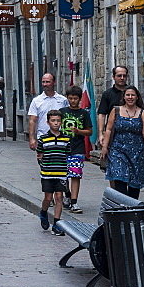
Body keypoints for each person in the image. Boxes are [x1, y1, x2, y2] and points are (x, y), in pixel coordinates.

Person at [101, 85, 144, 198]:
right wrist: (105, 148)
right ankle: (123, 204)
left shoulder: (142, 113)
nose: (130, 97)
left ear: (137, 97)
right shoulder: (116, 110)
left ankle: (132, 207)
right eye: (128, 95)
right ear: (124, 97)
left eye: (133, 95)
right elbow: (109, 129)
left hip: (137, 151)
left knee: (135, 182)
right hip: (118, 149)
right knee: (119, 175)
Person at [59, 84, 92, 213]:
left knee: (75, 175)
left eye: (75, 98)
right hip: (63, 148)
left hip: (77, 149)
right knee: (63, 176)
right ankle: (67, 194)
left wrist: (78, 131)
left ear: (79, 99)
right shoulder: (62, 112)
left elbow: (89, 132)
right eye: (71, 98)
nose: (73, 101)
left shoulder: (84, 113)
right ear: (67, 98)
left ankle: (74, 202)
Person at [37, 110, 70, 235]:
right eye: (53, 121)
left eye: (58, 121)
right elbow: (39, 154)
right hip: (47, 173)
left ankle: (57, 223)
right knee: (48, 197)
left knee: (59, 197)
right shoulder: (43, 139)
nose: (56, 123)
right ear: (48, 122)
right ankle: (43, 212)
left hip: (61, 173)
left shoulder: (66, 138)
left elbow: (67, 153)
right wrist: (44, 166)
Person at [27, 73, 68, 150]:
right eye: (43, 82)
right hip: (43, 138)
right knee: (44, 160)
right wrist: (32, 139)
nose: (45, 84)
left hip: (60, 138)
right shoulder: (36, 101)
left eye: (48, 82)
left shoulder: (63, 100)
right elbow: (32, 120)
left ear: (54, 82)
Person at [96, 66, 130, 146]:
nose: (122, 78)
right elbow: (102, 114)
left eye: (124, 76)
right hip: (113, 132)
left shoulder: (132, 93)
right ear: (113, 77)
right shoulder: (107, 94)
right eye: (119, 76)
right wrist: (101, 134)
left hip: (130, 131)